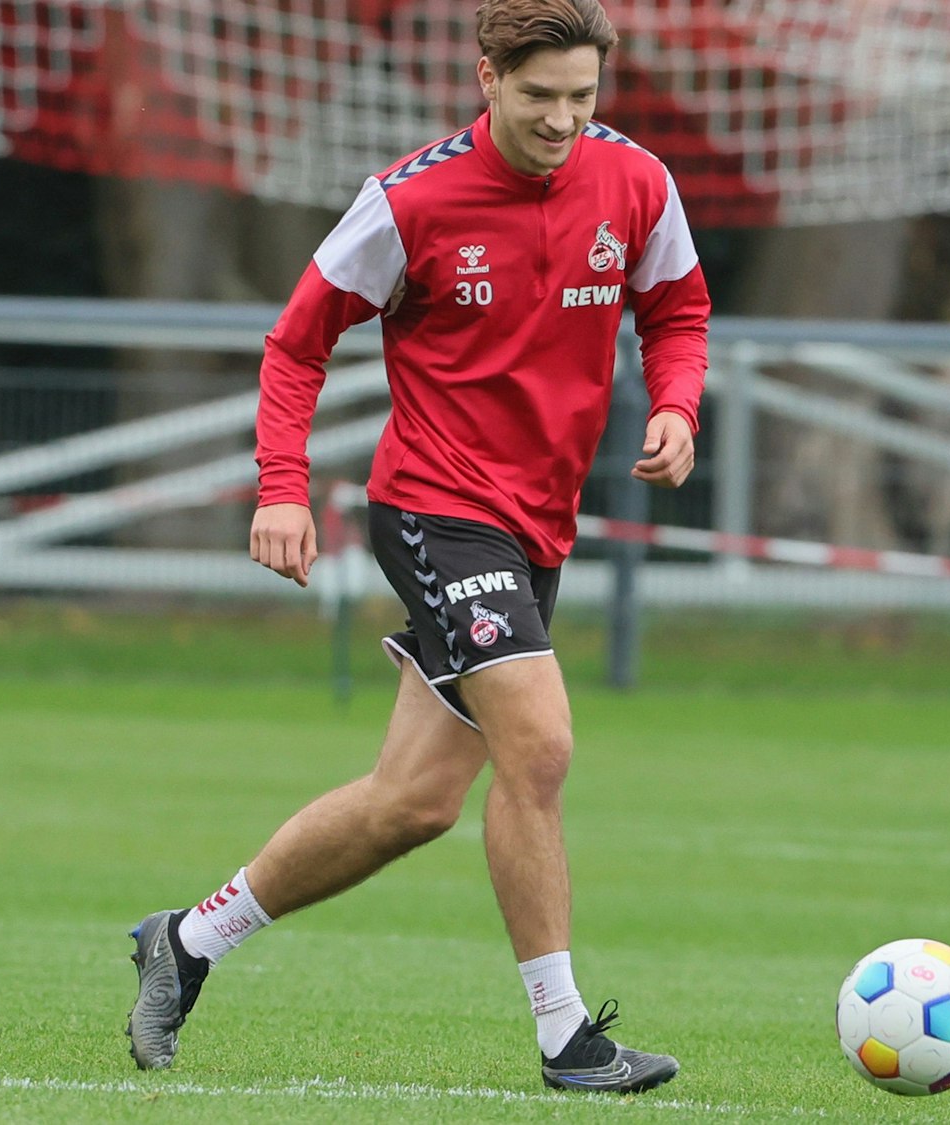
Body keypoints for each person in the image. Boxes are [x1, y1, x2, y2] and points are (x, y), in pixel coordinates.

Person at [125, 0, 709, 1095]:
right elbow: (296, 344)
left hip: (535, 523)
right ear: (486, 77)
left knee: (413, 803)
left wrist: (676, 405)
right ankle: (566, 1038)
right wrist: (282, 488)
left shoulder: (635, 181)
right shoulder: (410, 200)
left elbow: (676, 309)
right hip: (435, 506)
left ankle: (187, 940)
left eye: (582, 97)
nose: (563, 120)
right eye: (539, 97)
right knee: (539, 749)